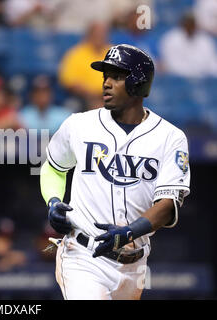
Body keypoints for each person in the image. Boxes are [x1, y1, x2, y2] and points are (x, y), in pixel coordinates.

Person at [40, 44, 191, 299]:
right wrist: (53, 201)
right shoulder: (78, 125)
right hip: (84, 256)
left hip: (135, 265)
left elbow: (167, 204)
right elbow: (53, 168)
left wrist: (131, 231)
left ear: (138, 84)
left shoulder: (170, 138)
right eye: (105, 77)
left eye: (117, 77)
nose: (106, 84)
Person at [59, 22, 111, 110]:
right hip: (84, 97)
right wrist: (92, 95)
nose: (99, 37)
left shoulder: (114, 53)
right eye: (96, 34)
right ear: (89, 35)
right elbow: (68, 81)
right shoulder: (75, 53)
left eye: (102, 34)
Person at [159, 12, 217, 78]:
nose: (190, 26)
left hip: (202, 77)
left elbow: (211, 63)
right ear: (183, 23)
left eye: (192, 23)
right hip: (179, 79)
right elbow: (172, 65)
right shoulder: (171, 39)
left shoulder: (206, 40)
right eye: (188, 23)